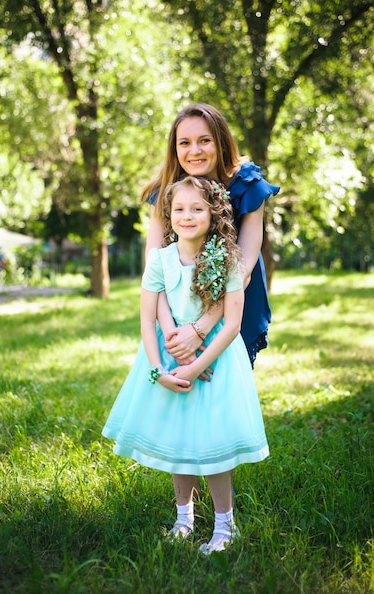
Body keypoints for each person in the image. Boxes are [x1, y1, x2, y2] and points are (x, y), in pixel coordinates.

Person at [102, 177, 269, 554]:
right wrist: (158, 367)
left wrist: (196, 366)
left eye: (197, 209)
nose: (187, 216)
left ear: (213, 215)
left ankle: (226, 525)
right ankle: (184, 518)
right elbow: (147, 320)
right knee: (179, 439)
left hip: (217, 361)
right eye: (179, 209)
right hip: (170, 356)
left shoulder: (227, 260)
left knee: (214, 442)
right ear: (168, 214)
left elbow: (231, 324)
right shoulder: (159, 260)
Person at [141, 103, 280, 368]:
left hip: (233, 305)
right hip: (174, 311)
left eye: (204, 140)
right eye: (184, 143)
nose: (194, 151)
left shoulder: (248, 185)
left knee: (224, 385)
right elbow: (154, 268)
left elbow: (243, 270)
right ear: (175, 148)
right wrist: (176, 339)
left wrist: (199, 331)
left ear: (221, 142)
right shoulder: (165, 192)